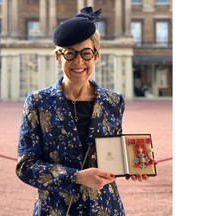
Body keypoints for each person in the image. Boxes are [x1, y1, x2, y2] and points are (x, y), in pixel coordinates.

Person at [16, 6, 148, 215]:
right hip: (56, 209)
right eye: (70, 53)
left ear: (96, 56)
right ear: (58, 58)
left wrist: (135, 164)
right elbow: (25, 167)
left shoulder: (114, 102)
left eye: (86, 53)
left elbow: (111, 154)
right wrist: (76, 176)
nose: (79, 62)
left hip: (104, 208)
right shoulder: (37, 102)